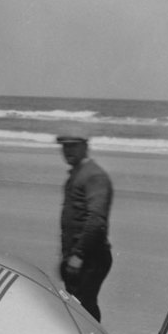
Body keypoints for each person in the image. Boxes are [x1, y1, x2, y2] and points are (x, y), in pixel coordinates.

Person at [57, 129, 113, 322]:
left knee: (83, 310)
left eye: (73, 145)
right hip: (77, 256)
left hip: (90, 258)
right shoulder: (78, 174)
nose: (68, 150)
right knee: (79, 307)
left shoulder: (94, 176)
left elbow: (96, 220)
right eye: (65, 146)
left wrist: (78, 255)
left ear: (85, 147)